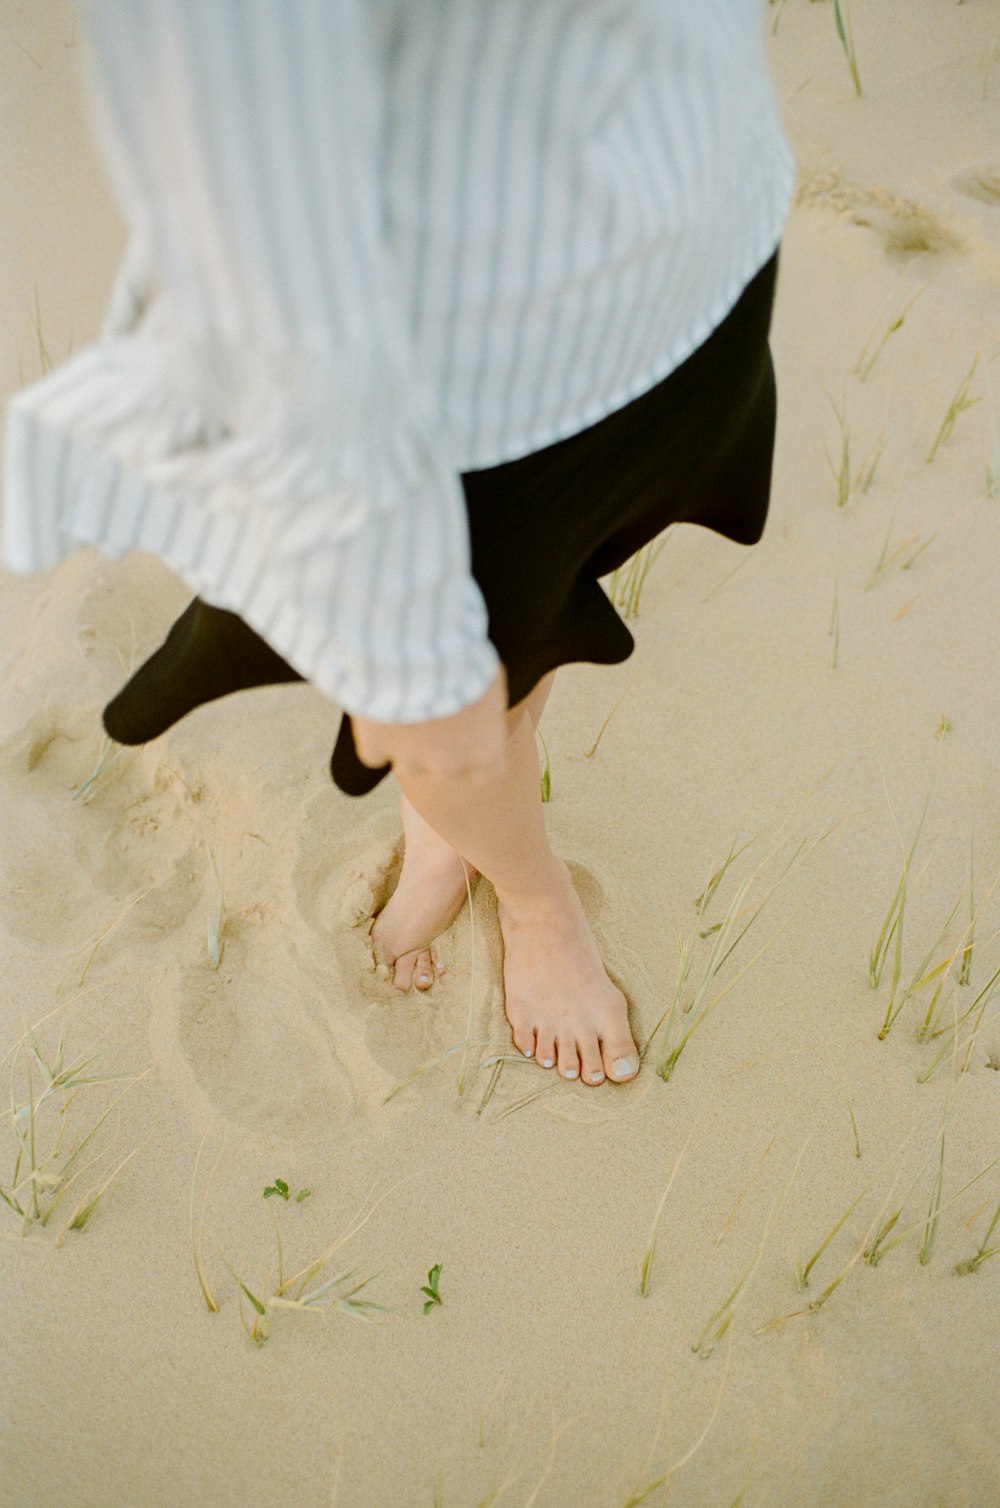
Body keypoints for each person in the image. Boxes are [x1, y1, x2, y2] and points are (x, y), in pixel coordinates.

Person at [3, 1, 795, 1089]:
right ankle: (529, 892)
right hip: (460, 388)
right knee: (450, 710)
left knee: (547, 604)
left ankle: (470, 814)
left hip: (696, 259)